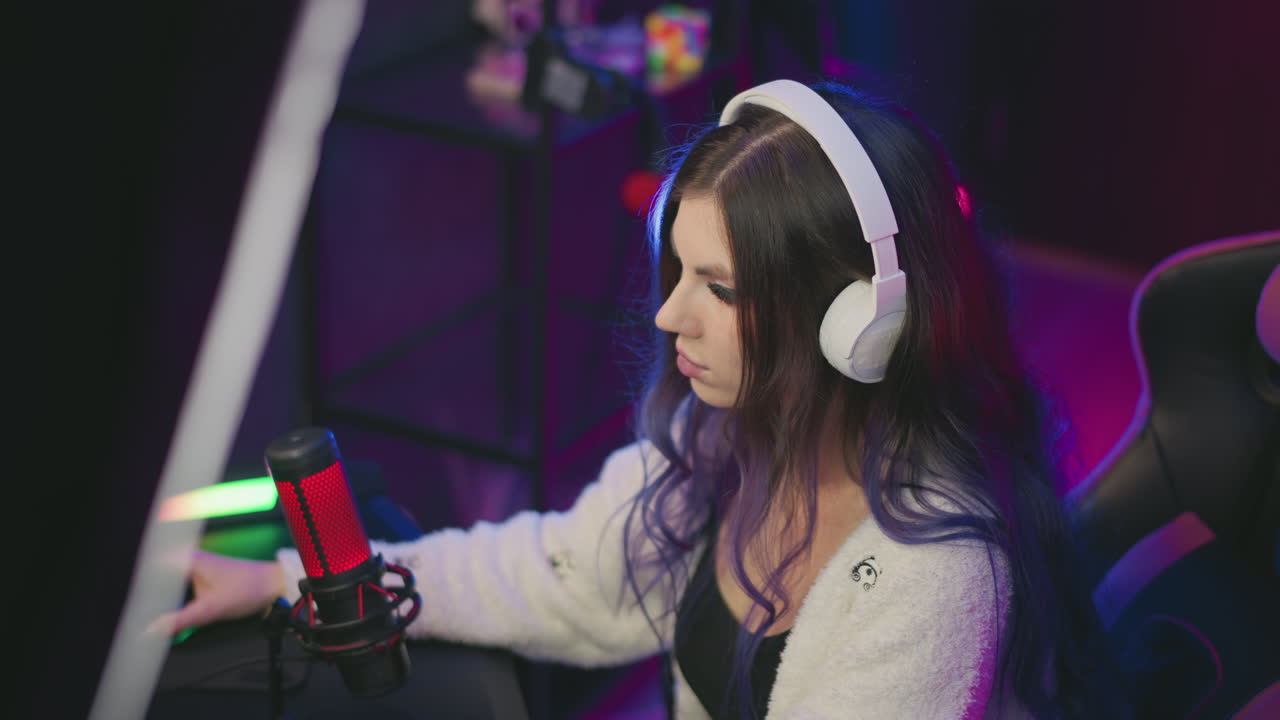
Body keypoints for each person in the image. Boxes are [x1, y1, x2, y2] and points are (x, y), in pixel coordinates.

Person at [154, 79, 1123, 718]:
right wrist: (301, 583)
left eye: (719, 289)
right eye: (675, 273)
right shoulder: (722, 439)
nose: (667, 316)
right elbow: (560, 574)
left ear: (856, 321)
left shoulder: (934, 577)